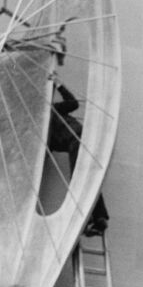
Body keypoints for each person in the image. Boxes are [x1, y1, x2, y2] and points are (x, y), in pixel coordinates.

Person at [47, 82, 108, 235]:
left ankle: (90, 219)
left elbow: (72, 103)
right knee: (86, 178)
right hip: (82, 139)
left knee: (79, 180)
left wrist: (59, 85)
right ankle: (100, 217)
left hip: (77, 140)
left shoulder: (51, 110)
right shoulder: (48, 123)